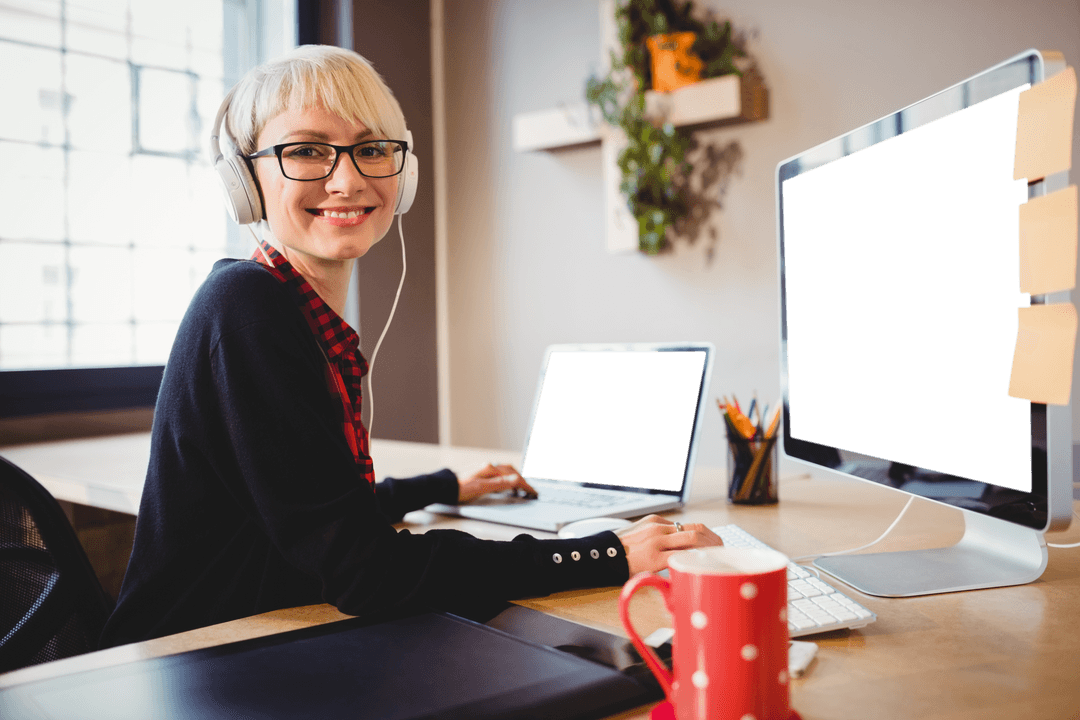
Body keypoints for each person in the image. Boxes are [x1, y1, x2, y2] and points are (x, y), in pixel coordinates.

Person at [99, 45, 722, 648]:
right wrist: (602, 552)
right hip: (192, 662)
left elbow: (311, 508)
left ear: (403, 174)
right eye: (307, 151)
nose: (346, 179)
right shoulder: (248, 310)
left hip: (257, 638)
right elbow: (364, 571)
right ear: (244, 180)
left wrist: (441, 485)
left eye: (371, 149)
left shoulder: (282, 307)